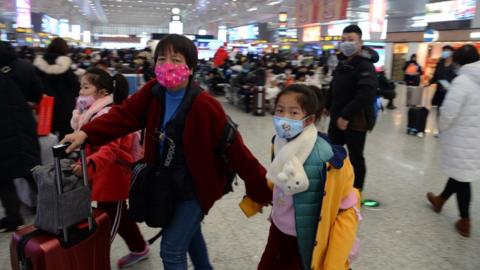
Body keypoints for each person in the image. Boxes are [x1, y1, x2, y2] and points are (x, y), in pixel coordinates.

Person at [61, 34, 272, 270]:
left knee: (171, 249)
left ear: (190, 67)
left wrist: (262, 190)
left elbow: (235, 149)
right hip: (167, 182)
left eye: (176, 59)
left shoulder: (205, 106)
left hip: (196, 186)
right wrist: (86, 133)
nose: (167, 65)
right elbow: (124, 116)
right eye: (162, 59)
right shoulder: (154, 92)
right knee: (189, 233)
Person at [240, 84, 360, 270]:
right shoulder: (279, 143)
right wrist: (256, 199)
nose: (284, 118)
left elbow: (346, 208)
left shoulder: (330, 160)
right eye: (280, 110)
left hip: (307, 240)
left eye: (294, 112)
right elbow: (275, 180)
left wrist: (335, 261)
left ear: (308, 119)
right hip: (278, 228)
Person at [69, 67, 149, 267]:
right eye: (80, 88)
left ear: (103, 92)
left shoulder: (108, 114)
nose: (81, 93)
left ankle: (96, 262)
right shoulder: (92, 113)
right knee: (118, 218)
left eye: (86, 88)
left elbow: (110, 150)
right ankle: (139, 248)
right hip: (104, 175)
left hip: (113, 177)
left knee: (105, 229)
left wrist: (88, 163)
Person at [426, 45, 480, 238]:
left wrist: (442, 127)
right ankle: (440, 200)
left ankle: (465, 221)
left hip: (461, 137)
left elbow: (449, 113)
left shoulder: (462, 81)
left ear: (459, 61)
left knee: (462, 178)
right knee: (460, 173)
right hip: (475, 137)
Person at [327, 25, 378, 193]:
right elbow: (335, 87)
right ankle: (335, 186)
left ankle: (357, 192)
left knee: (356, 157)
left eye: (351, 40)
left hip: (355, 120)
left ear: (360, 43)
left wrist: (346, 115)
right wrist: (327, 106)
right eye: (344, 40)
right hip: (337, 117)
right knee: (333, 152)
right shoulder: (343, 63)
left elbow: (366, 94)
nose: (346, 43)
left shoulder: (365, 66)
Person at [0, 41, 43, 232]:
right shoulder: (25, 66)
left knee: (3, 176)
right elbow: (36, 94)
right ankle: (53, 207)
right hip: (23, 124)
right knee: (33, 170)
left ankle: (13, 216)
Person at [34, 37, 80, 139]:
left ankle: (49, 154)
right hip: (65, 105)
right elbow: (75, 85)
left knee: (47, 133)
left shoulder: (38, 65)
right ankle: (63, 153)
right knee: (65, 133)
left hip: (45, 104)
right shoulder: (65, 65)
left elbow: (34, 84)